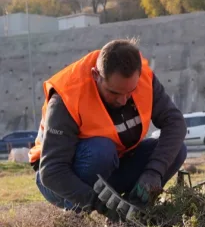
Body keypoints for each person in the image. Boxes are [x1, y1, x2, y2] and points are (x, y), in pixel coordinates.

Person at [29, 38, 187, 217]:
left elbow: (175, 123)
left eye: (130, 91)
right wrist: (99, 205)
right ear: (96, 75)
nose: (122, 100)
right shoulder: (67, 96)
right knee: (101, 151)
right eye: (114, 92)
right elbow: (52, 171)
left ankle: (132, 211)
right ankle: (79, 212)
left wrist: (154, 171)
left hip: (114, 166)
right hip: (61, 181)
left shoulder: (144, 78)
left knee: (177, 150)